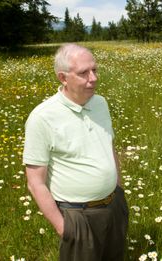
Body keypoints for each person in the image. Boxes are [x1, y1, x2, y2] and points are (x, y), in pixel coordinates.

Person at [23, 43, 128, 261]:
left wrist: (118, 189)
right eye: (83, 73)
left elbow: (108, 145)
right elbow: (35, 182)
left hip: (114, 206)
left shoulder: (101, 103)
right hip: (78, 216)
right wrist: (64, 228)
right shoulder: (42, 117)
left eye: (95, 70)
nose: (94, 78)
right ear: (63, 78)